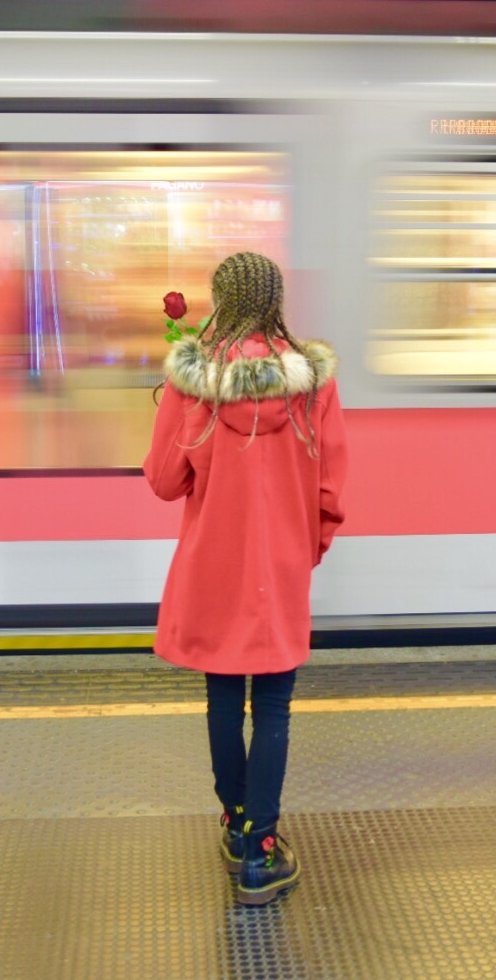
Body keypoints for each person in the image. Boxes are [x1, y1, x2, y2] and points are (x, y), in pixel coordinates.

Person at [142, 251, 348, 906]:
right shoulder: (312, 379)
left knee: (225, 701)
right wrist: (305, 549)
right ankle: (262, 851)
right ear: (276, 301)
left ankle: (236, 828)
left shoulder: (197, 379)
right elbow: (331, 485)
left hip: (214, 565)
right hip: (280, 563)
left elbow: (163, 480)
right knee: (276, 706)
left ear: (219, 301)